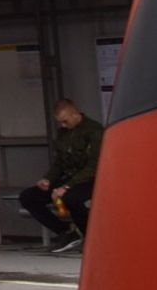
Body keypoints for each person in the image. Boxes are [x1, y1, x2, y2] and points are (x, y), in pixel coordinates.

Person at [20, 97, 102, 250]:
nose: (63, 125)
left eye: (65, 121)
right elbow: (60, 162)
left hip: (90, 179)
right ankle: (66, 232)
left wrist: (67, 187)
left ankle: (91, 238)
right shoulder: (64, 133)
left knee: (71, 199)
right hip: (69, 178)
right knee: (28, 197)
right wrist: (48, 179)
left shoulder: (94, 131)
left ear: (75, 114)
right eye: (60, 122)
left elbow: (93, 166)